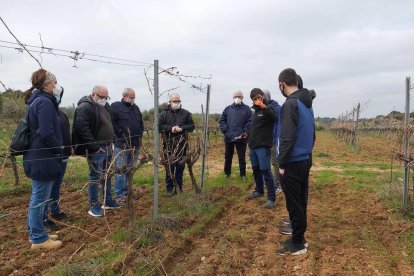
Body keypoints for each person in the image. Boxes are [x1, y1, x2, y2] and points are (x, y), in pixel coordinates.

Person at [276, 68, 315, 256]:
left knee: (294, 203)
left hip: (292, 162)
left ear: (282, 84)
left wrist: (281, 164)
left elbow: (287, 138)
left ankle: (297, 242)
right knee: (300, 201)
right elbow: (312, 135)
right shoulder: (307, 103)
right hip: (304, 159)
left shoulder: (290, 104)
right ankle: (300, 237)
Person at [23, 69, 63, 250]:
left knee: (39, 197)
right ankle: (38, 239)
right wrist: (58, 149)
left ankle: (36, 232)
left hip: (38, 155)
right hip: (43, 156)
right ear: (47, 84)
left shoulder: (37, 100)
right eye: (55, 84)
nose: (56, 87)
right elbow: (47, 132)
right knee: (40, 199)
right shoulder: (45, 102)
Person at [72, 85, 119, 217]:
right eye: (101, 97)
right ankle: (94, 205)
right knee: (95, 177)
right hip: (97, 149)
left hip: (108, 146)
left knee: (107, 174)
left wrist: (113, 138)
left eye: (106, 97)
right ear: (93, 94)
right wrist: (94, 146)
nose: (104, 99)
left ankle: (107, 201)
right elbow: (82, 128)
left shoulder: (105, 106)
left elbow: (110, 123)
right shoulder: (85, 107)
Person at [43, 86, 72, 231]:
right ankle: (44, 217)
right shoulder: (47, 113)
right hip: (52, 158)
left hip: (64, 157)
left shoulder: (62, 115)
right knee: (46, 189)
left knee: (56, 187)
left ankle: (55, 211)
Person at [111, 88, 144, 203]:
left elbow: (140, 123)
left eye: (134, 97)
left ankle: (128, 191)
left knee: (130, 169)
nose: (133, 99)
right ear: (124, 96)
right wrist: (120, 133)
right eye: (131, 97)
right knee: (121, 169)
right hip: (122, 144)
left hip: (135, 144)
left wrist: (140, 134)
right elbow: (112, 123)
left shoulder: (135, 108)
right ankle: (120, 193)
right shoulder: (116, 107)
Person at [158, 93, 195, 197]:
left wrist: (182, 128)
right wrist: (171, 128)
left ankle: (179, 188)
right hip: (168, 145)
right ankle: (169, 188)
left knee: (180, 167)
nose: (177, 103)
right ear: (169, 102)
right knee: (169, 167)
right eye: (175, 101)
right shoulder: (163, 114)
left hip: (182, 145)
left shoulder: (186, 113)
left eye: (178, 101)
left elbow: (192, 126)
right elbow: (158, 127)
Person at [246, 88, 277, 208]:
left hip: (263, 146)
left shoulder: (269, 109)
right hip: (253, 146)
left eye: (259, 97)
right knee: (256, 170)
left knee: (266, 171)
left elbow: (274, 118)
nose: (257, 100)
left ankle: (271, 198)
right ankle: (259, 190)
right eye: (254, 99)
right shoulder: (254, 111)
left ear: (263, 96)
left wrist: (264, 106)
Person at [219, 90, 252, 181]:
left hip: (242, 138)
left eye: (239, 96)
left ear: (242, 97)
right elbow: (222, 121)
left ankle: (243, 175)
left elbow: (250, 121)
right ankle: (227, 173)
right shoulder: (227, 109)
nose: (237, 98)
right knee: (228, 157)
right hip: (229, 138)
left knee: (241, 157)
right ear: (233, 98)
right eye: (235, 96)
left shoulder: (247, 109)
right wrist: (226, 131)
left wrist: (245, 132)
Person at [262, 90, 282, 194]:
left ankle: (278, 184)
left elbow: (279, 123)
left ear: (267, 96)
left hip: (273, 139)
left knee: (275, 161)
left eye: (263, 96)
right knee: (265, 161)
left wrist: (276, 136)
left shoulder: (276, 107)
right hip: (263, 140)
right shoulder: (260, 107)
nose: (261, 98)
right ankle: (268, 181)